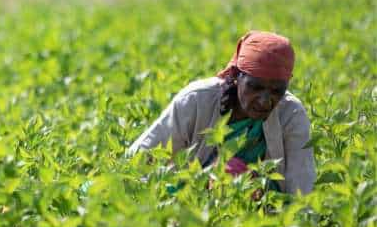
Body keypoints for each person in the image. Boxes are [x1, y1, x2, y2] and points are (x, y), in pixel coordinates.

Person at [127, 31, 315, 195]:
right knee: (228, 171)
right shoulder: (197, 100)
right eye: (255, 87)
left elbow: (302, 187)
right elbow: (138, 160)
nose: (265, 100)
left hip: (264, 213)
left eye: (277, 91)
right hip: (188, 204)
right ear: (236, 77)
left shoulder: (291, 114)